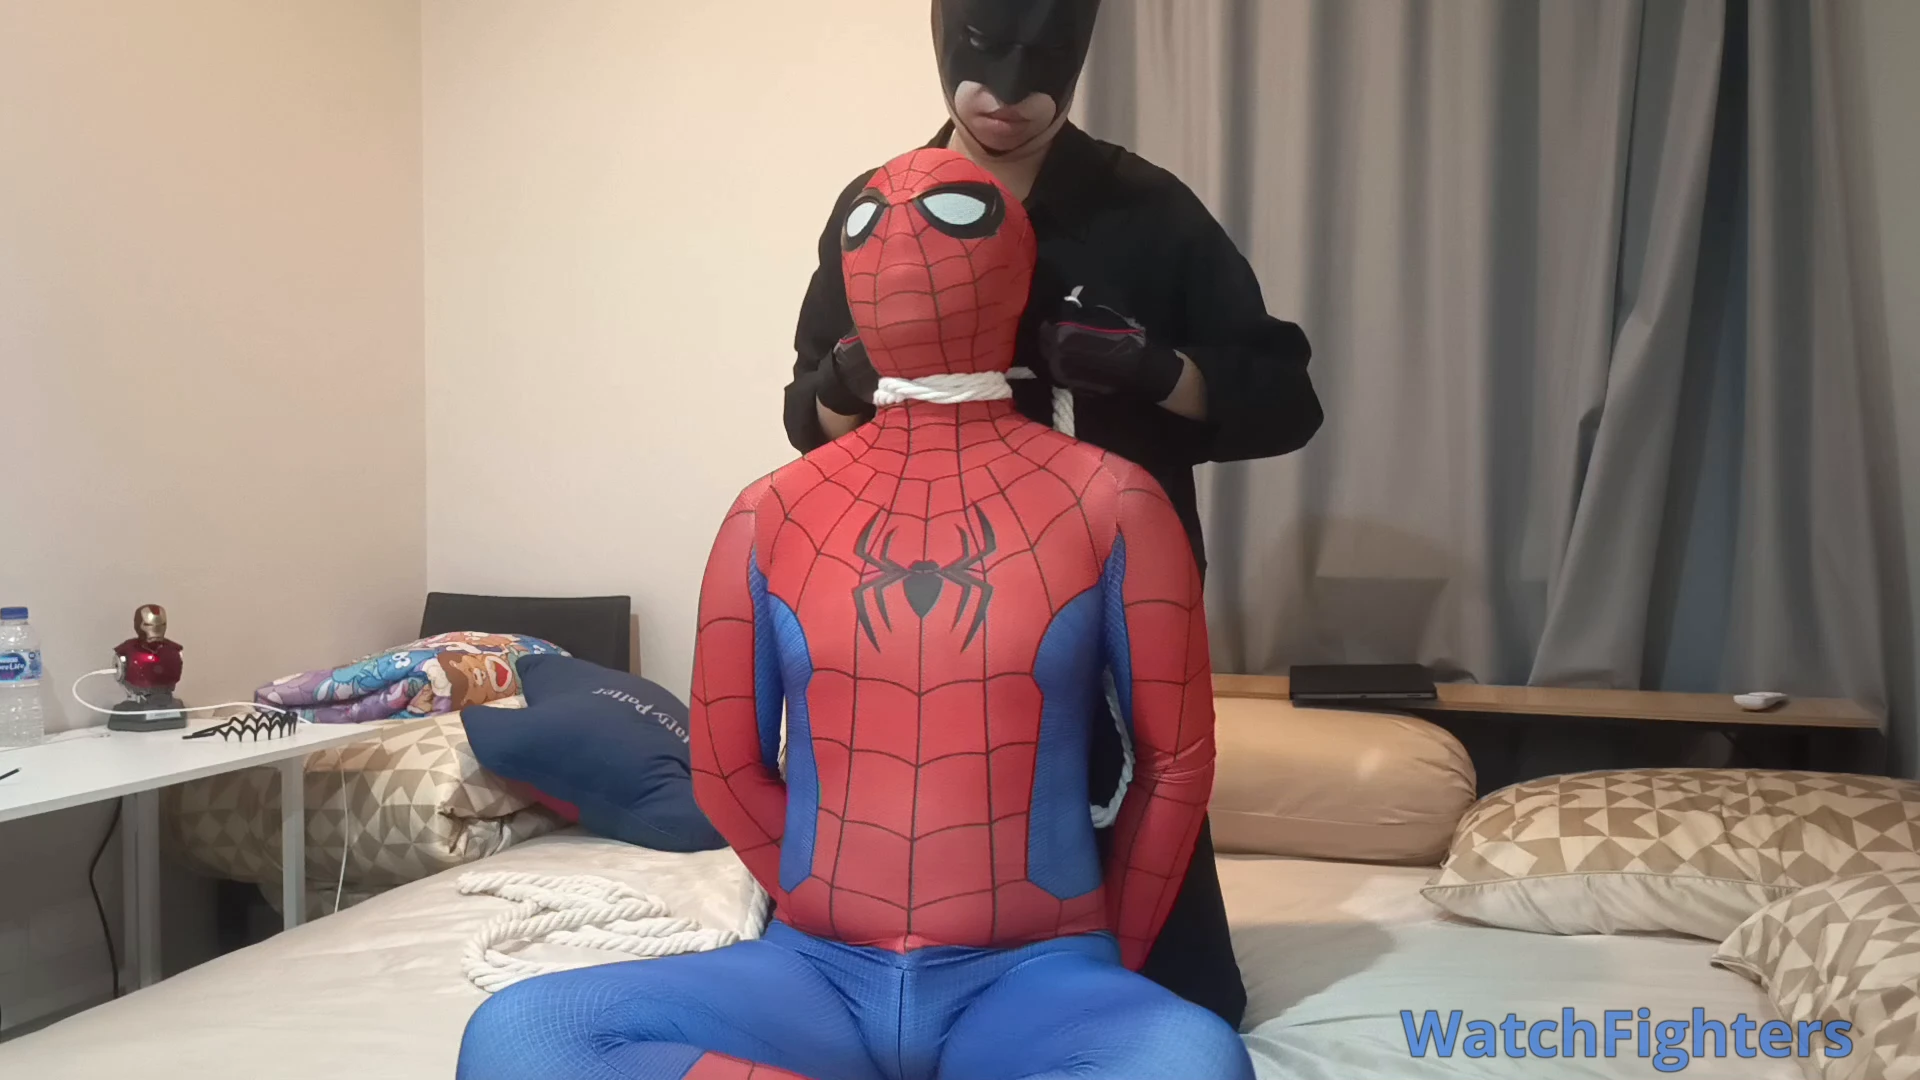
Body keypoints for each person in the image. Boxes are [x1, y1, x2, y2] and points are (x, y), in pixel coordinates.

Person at [457, 144, 1254, 1080]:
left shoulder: (1113, 500)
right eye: (869, 225)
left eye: (953, 217)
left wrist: (1110, 964)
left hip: (1039, 973)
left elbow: (1176, 762)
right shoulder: (770, 512)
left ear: (1017, 260)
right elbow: (724, 769)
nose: (907, 242)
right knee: (519, 1035)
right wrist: (820, 899)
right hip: (813, 972)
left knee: (1194, 1061)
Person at [781, 0, 1323, 1028]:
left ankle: (1126, 995)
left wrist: (1157, 371)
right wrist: (849, 376)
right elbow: (808, 422)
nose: (1006, 96)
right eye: (983, 61)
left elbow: (1287, 401)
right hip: (922, 603)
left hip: (1109, 593)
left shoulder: (1147, 210)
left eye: (1042, 67)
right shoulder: (875, 207)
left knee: (1158, 934)